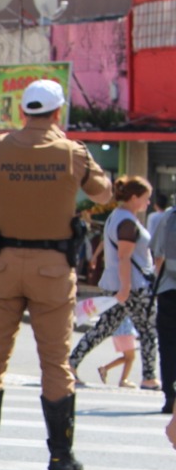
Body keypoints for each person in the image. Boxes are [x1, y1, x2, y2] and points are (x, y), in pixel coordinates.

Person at [0, 78, 113, 470]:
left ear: (23, 112)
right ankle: (60, 456)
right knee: (55, 362)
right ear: (58, 113)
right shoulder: (72, 152)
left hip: (2, 265)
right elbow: (104, 194)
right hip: (52, 267)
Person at [68, 177, 162, 392]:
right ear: (134, 197)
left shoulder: (116, 217)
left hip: (118, 284)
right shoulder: (127, 222)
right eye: (146, 199)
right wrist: (126, 288)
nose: (148, 203)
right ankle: (149, 377)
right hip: (133, 286)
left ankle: (71, 363)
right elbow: (124, 257)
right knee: (148, 329)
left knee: (104, 328)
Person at [148, 194, 176, 413]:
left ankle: (170, 397)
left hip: (169, 290)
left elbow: (158, 257)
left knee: (168, 347)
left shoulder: (168, 217)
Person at [96, 318, 139, 388]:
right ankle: (123, 380)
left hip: (120, 332)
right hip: (125, 331)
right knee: (130, 358)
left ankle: (105, 368)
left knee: (128, 358)